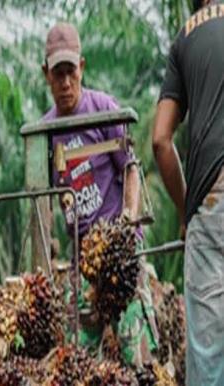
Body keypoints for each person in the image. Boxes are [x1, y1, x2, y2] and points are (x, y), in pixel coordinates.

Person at [42, 22, 158, 367]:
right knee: (74, 360)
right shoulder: (46, 132)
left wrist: (126, 221)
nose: (65, 83)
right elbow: (45, 196)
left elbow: (131, 168)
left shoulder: (103, 108)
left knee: (139, 359)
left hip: (119, 254)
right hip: (83, 262)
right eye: (57, 74)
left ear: (83, 67)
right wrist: (47, 244)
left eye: (71, 72)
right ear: (45, 74)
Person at [153, 1, 224, 384]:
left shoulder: (185, 38)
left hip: (212, 198)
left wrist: (185, 212)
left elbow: (161, 141)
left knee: (209, 354)